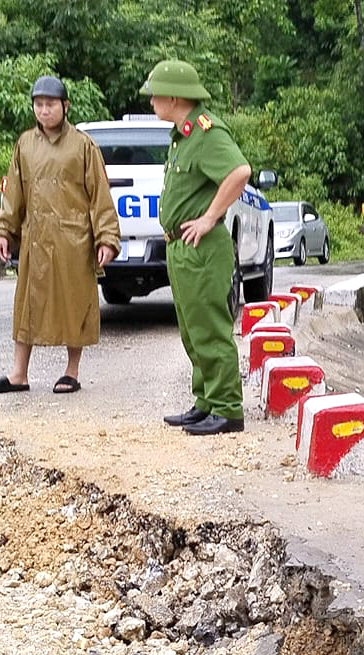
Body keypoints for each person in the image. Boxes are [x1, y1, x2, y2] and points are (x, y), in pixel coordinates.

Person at [0, 75, 120, 395]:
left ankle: (71, 371)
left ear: (65, 106)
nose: (44, 111)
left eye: (50, 104)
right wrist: (4, 230)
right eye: (39, 104)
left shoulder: (83, 146)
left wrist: (107, 238)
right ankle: (19, 374)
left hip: (73, 239)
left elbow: (99, 195)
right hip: (36, 237)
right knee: (26, 306)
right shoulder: (25, 144)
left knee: (74, 304)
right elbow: (14, 194)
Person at [143, 61, 252, 435]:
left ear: (175, 97)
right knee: (192, 330)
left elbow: (239, 172)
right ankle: (206, 401)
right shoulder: (183, 136)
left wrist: (208, 217)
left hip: (203, 247)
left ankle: (227, 409)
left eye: (156, 94)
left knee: (210, 328)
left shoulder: (206, 132)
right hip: (181, 247)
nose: (152, 100)